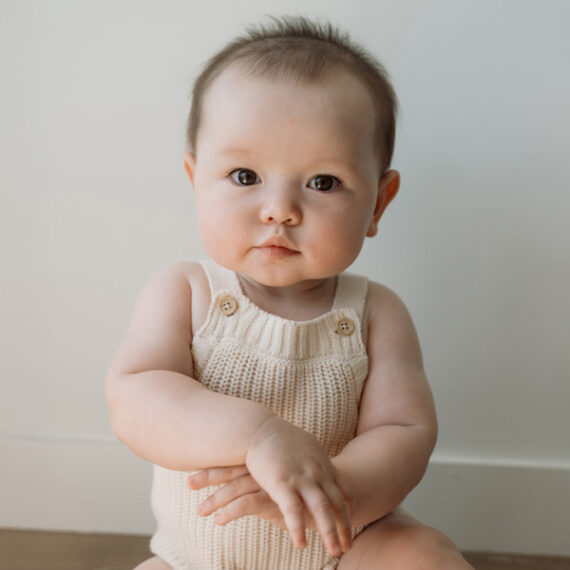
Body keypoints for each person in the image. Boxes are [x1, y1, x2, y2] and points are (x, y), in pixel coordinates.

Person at [106, 16, 473, 570]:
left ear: (377, 203)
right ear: (195, 180)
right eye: (245, 176)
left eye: (322, 182)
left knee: (423, 555)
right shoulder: (185, 293)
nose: (279, 209)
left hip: (343, 548)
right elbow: (135, 400)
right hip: (197, 561)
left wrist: (333, 491)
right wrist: (257, 435)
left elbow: (404, 431)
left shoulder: (375, 314)